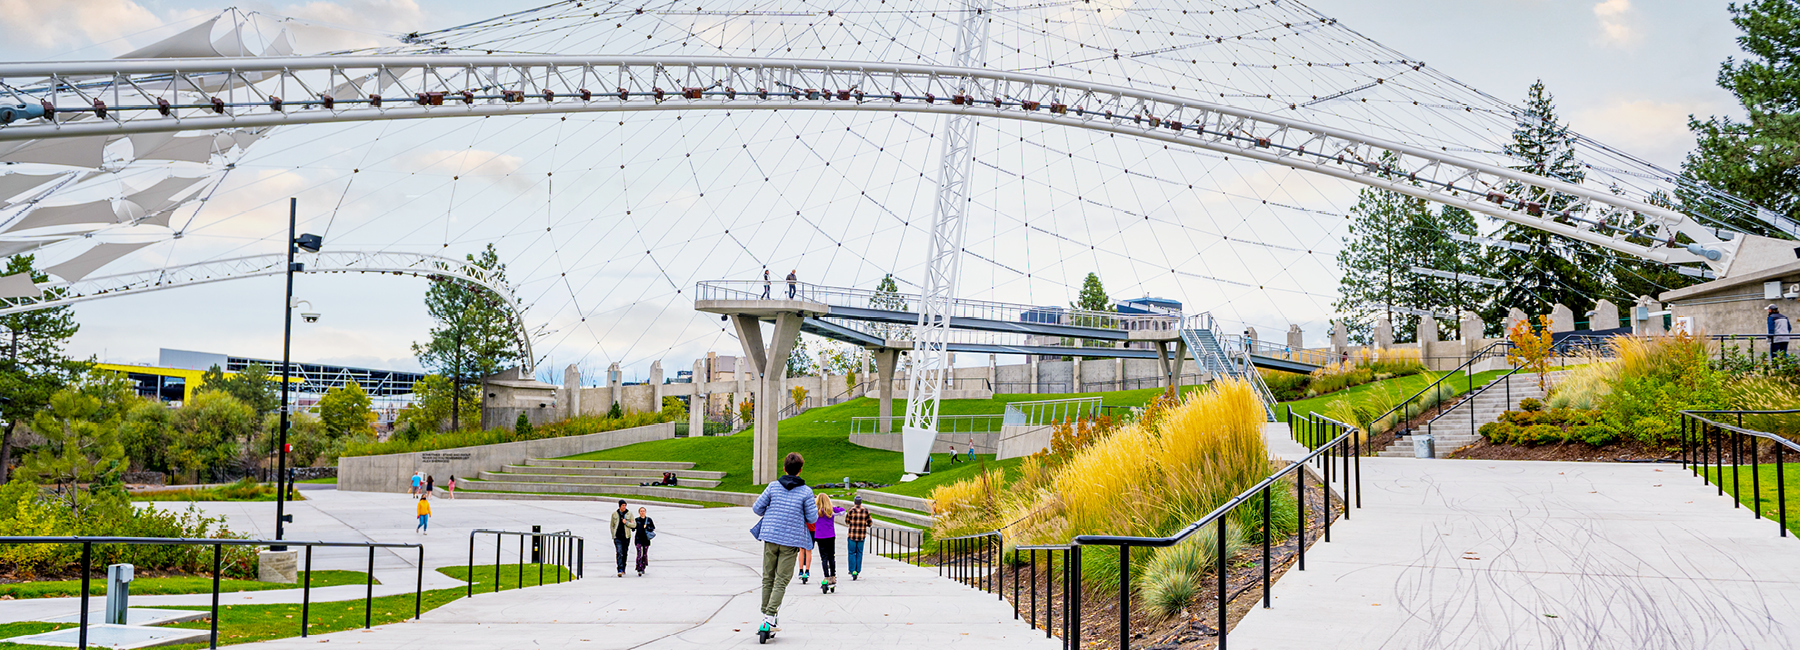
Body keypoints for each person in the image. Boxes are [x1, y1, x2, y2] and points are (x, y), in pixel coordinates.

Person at [751, 452, 819, 634]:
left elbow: (757, 508)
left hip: (770, 536)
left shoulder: (773, 487)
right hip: (790, 540)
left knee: (768, 576)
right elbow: (813, 517)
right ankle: (769, 616)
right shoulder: (806, 492)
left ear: (784, 468)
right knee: (781, 579)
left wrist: (773, 512)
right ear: (800, 470)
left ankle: (767, 615)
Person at [813, 494, 844, 590]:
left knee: (824, 558)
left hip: (819, 536)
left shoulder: (816, 511)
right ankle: (833, 576)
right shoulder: (831, 510)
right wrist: (837, 507)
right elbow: (843, 511)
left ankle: (826, 576)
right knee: (831, 556)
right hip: (830, 535)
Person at [843, 496, 872, 580]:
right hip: (861, 535)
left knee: (851, 552)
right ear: (861, 502)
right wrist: (866, 524)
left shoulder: (851, 510)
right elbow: (870, 522)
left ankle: (852, 570)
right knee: (859, 553)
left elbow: (847, 521)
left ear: (854, 502)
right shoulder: (866, 511)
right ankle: (857, 570)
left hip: (852, 535)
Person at [609, 499, 636, 577]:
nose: (624, 507)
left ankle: (624, 567)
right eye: (623, 505)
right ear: (620, 506)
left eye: (625, 505)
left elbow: (634, 525)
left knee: (624, 553)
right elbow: (612, 525)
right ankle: (620, 569)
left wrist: (626, 523)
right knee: (619, 552)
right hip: (618, 537)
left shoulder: (629, 514)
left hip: (626, 536)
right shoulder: (615, 514)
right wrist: (613, 535)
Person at [633, 506, 656, 577]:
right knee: (639, 553)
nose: (642, 512)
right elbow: (633, 528)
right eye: (641, 511)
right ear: (639, 512)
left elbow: (653, 528)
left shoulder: (649, 520)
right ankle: (639, 567)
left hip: (646, 539)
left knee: (645, 554)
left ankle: (643, 566)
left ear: (645, 512)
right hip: (638, 539)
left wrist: (647, 527)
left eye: (643, 511)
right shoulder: (637, 520)